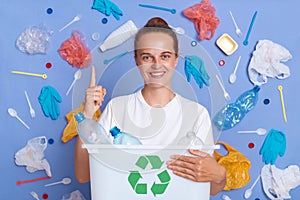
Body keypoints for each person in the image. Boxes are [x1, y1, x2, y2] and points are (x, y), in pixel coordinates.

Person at [74, 17, 226, 195]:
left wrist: (219, 176)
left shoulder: (196, 114)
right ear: (137, 60)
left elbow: (211, 189)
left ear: (176, 59)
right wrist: (88, 115)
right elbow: (84, 175)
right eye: (147, 57)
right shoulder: (118, 108)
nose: (156, 65)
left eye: (165, 56)